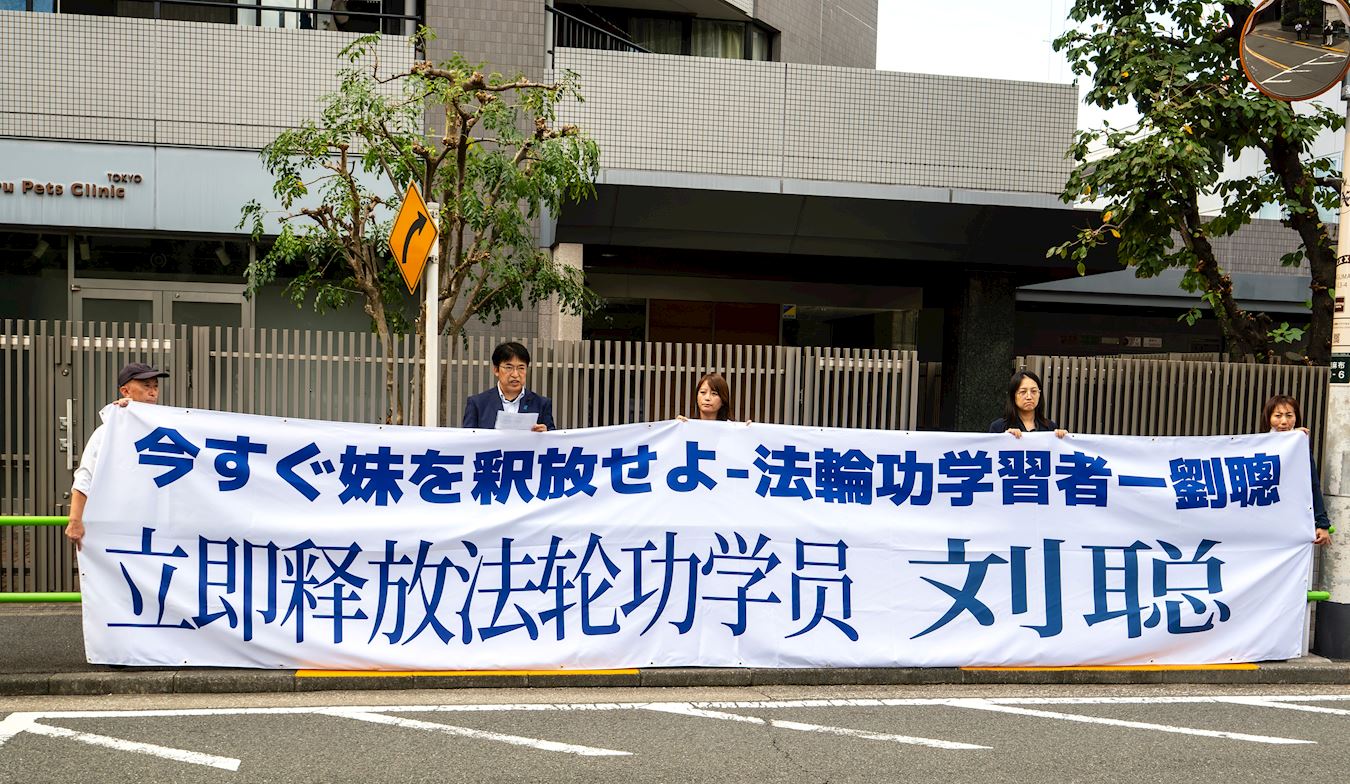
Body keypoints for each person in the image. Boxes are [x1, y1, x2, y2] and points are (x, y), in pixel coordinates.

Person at [65, 362, 169, 551]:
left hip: (157, 528)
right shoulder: (106, 433)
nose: (153, 392)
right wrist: (75, 519)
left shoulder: (165, 431)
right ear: (125, 391)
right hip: (118, 527)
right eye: (146, 386)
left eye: (155, 386)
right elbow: (85, 477)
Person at [1263, 394, 1333, 546]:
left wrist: (1322, 523)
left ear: (1296, 417)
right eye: (1278, 415)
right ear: (1268, 418)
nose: (1284, 421)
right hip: (1265, 524)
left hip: (1294, 523)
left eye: (1289, 415)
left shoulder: (1300, 445)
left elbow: (1312, 484)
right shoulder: (1257, 445)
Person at [461, 341, 554, 432]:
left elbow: (554, 441)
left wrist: (546, 435)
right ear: (496, 370)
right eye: (509, 367)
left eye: (521, 368)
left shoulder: (541, 404)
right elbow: (468, 441)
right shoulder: (478, 404)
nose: (515, 374)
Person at [988, 370, 1067, 438]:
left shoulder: (1050, 427)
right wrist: (1005, 438)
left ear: (1040, 394)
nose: (1029, 397)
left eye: (1034, 391)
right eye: (1023, 392)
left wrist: (1064, 439)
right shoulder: (999, 427)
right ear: (1013, 395)